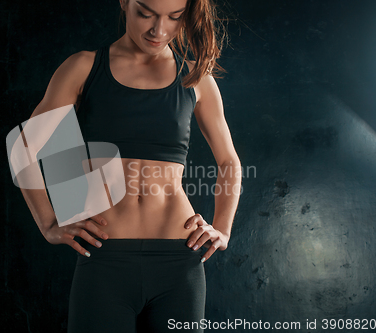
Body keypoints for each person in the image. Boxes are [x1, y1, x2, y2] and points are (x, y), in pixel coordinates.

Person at [19, 0, 241, 331]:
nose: (159, 29)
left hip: (179, 262)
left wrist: (222, 230)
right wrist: (49, 222)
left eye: (174, 17)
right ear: (125, 3)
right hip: (105, 260)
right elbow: (26, 147)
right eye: (146, 13)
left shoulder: (196, 78)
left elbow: (228, 162)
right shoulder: (84, 67)